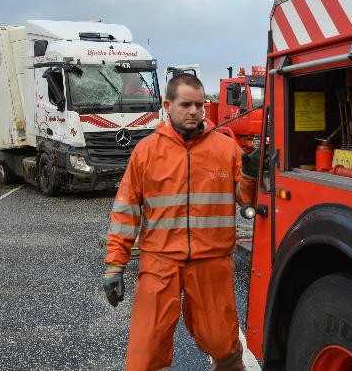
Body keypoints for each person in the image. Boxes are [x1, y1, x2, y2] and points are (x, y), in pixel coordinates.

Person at [102, 72, 258, 371]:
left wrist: (250, 176)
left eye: (199, 105)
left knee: (224, 347)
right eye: (186, 104)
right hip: (160, 262)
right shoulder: (147, 152)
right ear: (167, 105)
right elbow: (125, 211)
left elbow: (244, 199)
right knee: (145, 352)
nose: (194, 112)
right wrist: (115, 264)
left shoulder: (225, 148)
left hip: (212, 262)